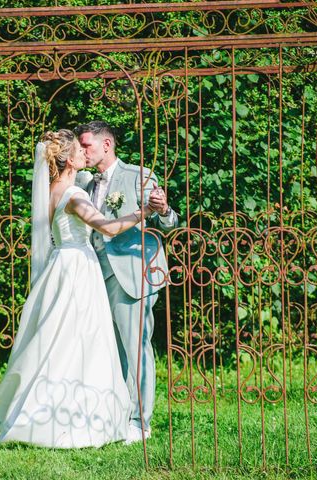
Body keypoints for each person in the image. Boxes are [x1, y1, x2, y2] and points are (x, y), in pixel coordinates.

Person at [0, 129, 157, 448]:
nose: (83, 154)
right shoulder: (75, 195)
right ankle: (72, 413)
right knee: (82, 340)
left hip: (60, 265)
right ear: (70, 161)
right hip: (78, 268)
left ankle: (49, 402)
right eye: (78, 150)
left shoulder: (52, 189)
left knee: (57, 340)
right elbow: (108, 227)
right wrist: (144, 212)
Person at [75, 121, 179, 444]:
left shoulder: (138, 176)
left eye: (87, 146)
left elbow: (169, 222)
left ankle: (140, 421)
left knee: (136, 348)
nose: (82, 151)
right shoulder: (85, 182)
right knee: (111, 349)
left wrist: (163, 210)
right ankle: (118, 413)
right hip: (98, 276)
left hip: (133, 273)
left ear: (107, 145)